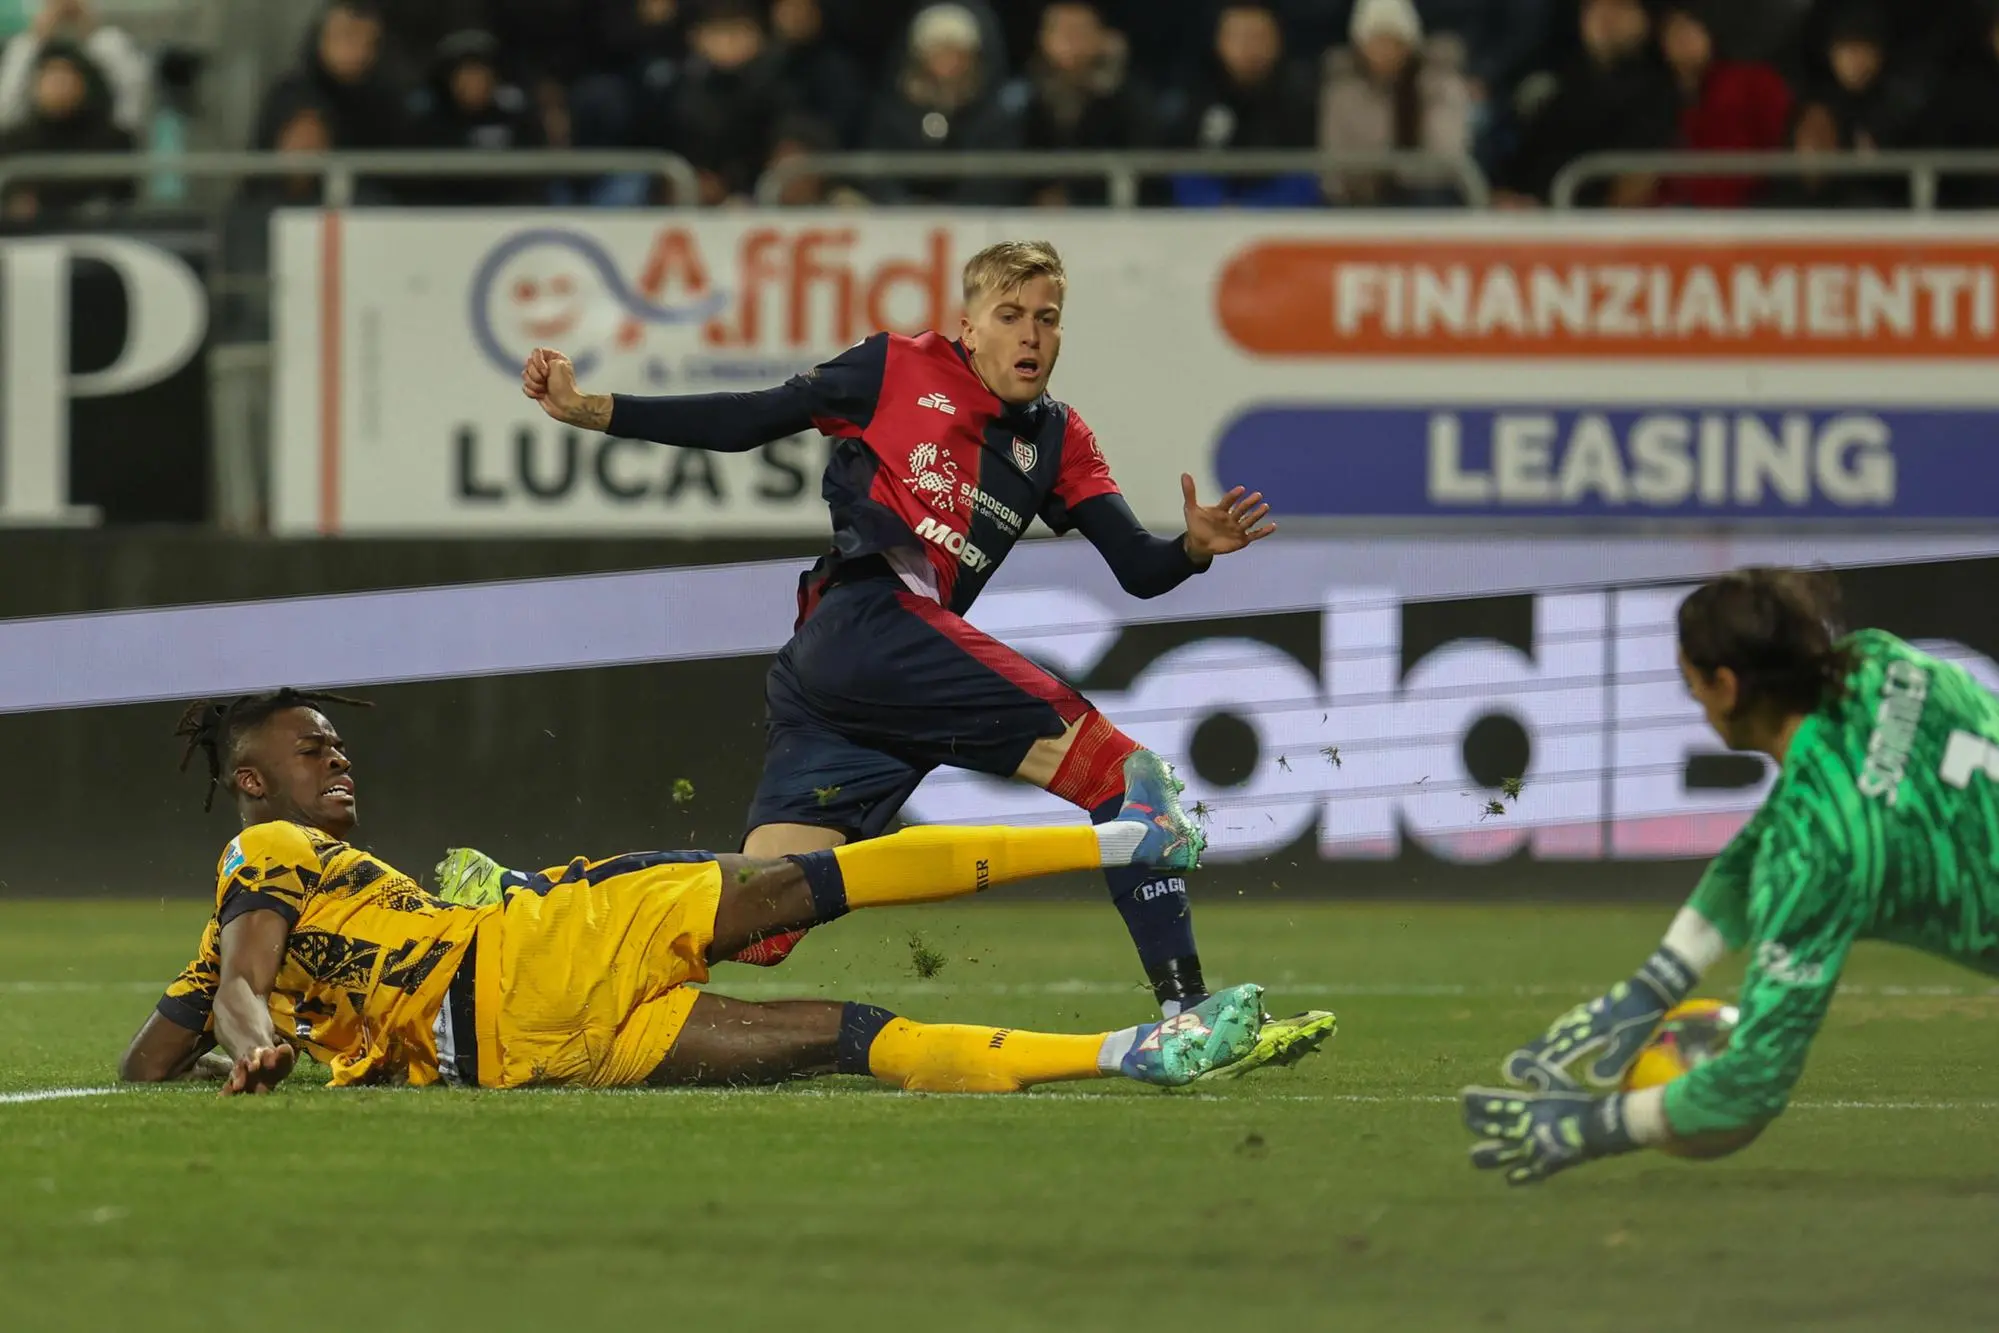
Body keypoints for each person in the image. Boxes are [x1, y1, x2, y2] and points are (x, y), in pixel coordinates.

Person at [517, 240, 1320, 1056]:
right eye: (1009, 317)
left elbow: (1138, 570)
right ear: (967, 328)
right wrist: (592, 408)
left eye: (1046, 319)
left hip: (847, 679)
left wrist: (1188, 549)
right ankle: (1188, 1012)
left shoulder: (1058, 439)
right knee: (1127, 779)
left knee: (765, 907)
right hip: (866, 625)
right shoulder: (894, 366)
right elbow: (750, 417)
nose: (1030, 336)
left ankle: (537, 896)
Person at [117, 689, 1295, 1095]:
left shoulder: (257, 907)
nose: (341, 762)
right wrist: (255, 1029)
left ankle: (1129, 1052)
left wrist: (258, 1042)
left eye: (339, 746)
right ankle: (1123, 843)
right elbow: (237, 989)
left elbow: (151, 1059)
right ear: (257, 780)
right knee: (811, 884)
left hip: (530, 1052)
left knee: (840, 1038)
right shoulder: (266, 854)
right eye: (317, 751)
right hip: (541, 956)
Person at [1463, 567, 1999, 1183]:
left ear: (1725, 683)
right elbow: (1777, 832)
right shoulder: (1878, 661)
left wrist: (1594, 1125)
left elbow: (1750, 1086)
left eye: (1690, 681)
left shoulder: (1820, 853)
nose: (1693, 700)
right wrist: (1656, 984)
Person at [1493, 0, 1677, 208]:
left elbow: (1633, 185)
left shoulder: (1656, 91)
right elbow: (1524, 158)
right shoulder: (1564, 80)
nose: (1606, 16)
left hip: (1588, 227)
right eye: (1596, 5)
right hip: (1532, 221)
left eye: (1620, 6)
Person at [1318, 0, 1474, 206]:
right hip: (1360, 198)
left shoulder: (1440, 86)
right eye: (1376, 41)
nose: (1385, 51)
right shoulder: (1342, 91)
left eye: (1394, 41)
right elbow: (1334, 163)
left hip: (1427, 195)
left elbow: (1447, 157)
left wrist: (1395, 171)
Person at [1163, 1, 1319, 207]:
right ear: (1220, 42)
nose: (1249, 48)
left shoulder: (1301, 99)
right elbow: (1183, 167)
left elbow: (1307, 174)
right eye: (1240, 37)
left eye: (1258, 37)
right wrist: (1217, 205)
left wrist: (1253, 210)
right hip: (1208, 220)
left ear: (1277, 41)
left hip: (1281, 220)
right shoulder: (1198, 96)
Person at [0, 38, 134, 221]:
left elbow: (118, 198)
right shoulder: (12, 143)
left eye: (66, 76)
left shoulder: (114, 141)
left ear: (84, 83)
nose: (58, 85)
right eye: (51, 77)